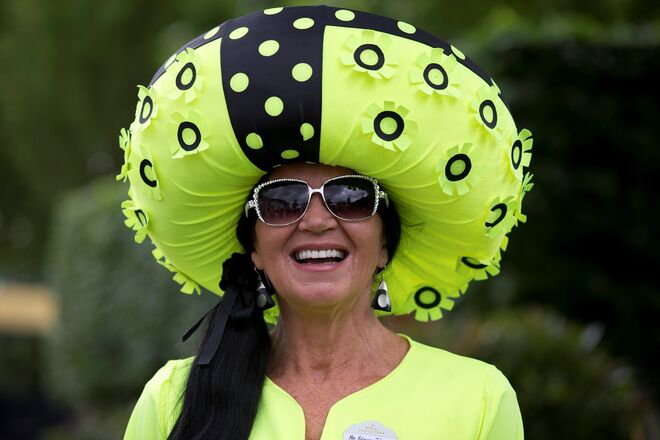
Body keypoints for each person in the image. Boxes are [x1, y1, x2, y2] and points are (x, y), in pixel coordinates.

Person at [119, 5, 532, 440]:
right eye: (282, 202)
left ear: (386, 244)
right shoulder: (170, 399)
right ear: (254, 249)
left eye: (350, 198)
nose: (316, 220)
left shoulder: (478, 399)